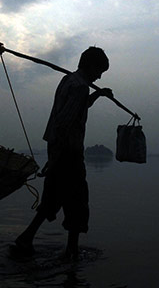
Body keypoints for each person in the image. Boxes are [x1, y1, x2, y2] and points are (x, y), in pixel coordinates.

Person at [13, 46, 113, 260]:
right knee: (77, 202)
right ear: (90, 66)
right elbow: (63, 123)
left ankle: (26, 238)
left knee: (53, 197)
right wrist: (57, 157)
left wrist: (98, 94)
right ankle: (72, 251)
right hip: (68, 153)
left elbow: (78, 108)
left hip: (59, 151)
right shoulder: (79, 87)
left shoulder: (70, 81)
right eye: (99, 71)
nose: (99, 75)